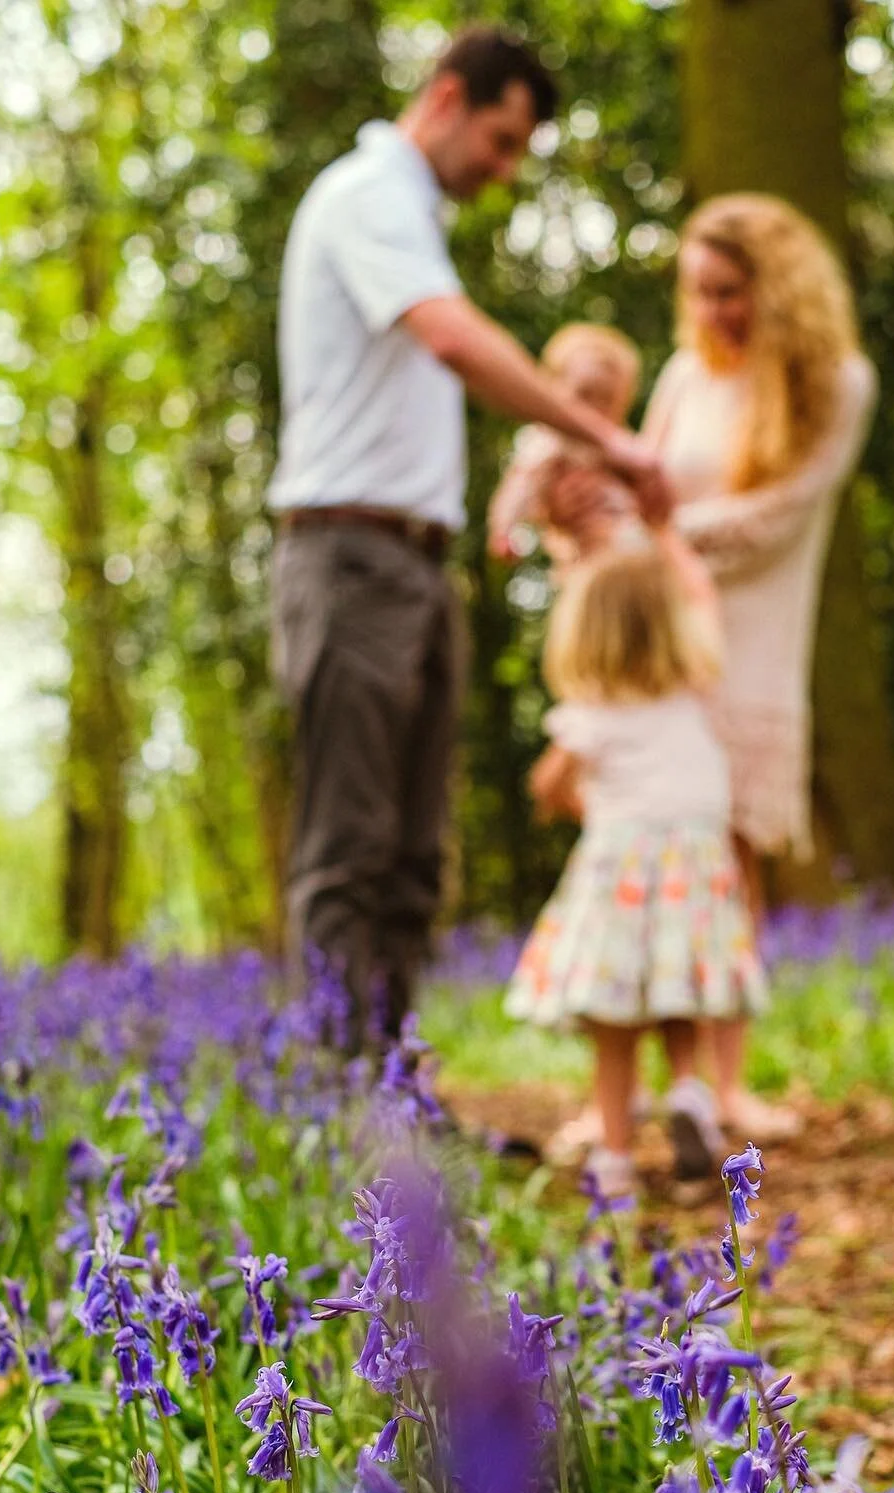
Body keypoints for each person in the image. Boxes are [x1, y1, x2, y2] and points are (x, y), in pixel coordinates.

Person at [267, 29, 669, 1054]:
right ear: (446, 97)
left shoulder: (411, 217)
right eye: (500, 139)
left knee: (410, 857)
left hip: (411, 561)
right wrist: (608, 442)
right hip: (350, 555)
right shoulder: (368, 196)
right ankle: (337, 1114)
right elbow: (453, 339)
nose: (505, 169)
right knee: (352, 847)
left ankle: (389, 1101)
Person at [553, 192, 877, 1139]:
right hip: (660, 653)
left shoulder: (836, 382)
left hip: (753, 647)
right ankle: (626, 1090)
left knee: (728, 861)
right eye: (699, 294)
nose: (712, 314)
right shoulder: (687, 377)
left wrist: (657, 536)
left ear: (780, 288)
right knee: (631, 851)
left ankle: (723, 1085)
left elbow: (779, 518)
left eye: (731, 292)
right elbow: (634, 478)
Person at [504, 536, 765, 1202]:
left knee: (614, 1030)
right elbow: (703, 598)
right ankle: (688, 1089)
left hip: (621, 880)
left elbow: (544, 785)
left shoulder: (591, 715)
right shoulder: (695, 695)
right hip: (694, 877)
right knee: (679, 999)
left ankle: (617, 1160)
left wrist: (582, 804)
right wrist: (670, 534)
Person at [488, 323, 645, 567]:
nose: (594, 409)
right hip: (578, 557)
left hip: (630, 550)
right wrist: (505, 530)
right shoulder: (548, 442)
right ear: (552, 391)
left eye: (607, 399)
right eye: (584, 394)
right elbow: (521, 484)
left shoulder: (620, 442)